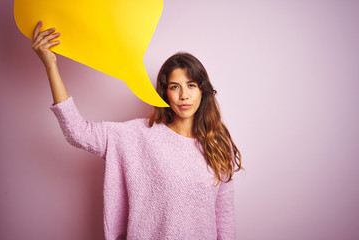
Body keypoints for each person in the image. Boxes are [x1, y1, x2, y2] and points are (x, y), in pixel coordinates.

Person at [31, 20, 242, 240]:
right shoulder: (138, 136)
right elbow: (77, 131)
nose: (184, 95)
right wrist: (50, 65)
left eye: (191, 85)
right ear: (165, 93)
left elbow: (224, 217)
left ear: (202, 90)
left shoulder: (218, 143)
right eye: (174, 86)